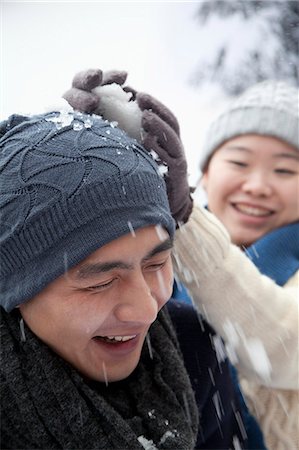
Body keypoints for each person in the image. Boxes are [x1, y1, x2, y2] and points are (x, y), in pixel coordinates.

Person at [63, 72, 298, 450]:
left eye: (285, 170)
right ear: (205, 171)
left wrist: (184, 218)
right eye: (239, 163)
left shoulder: (182, 235)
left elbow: (281, 347)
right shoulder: (149, 246)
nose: (257, 185)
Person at [0, 111, 248, 449]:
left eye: (157, 262)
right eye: (100, 282)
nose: (146, 309)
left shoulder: (193, 347)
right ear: (14, 290)